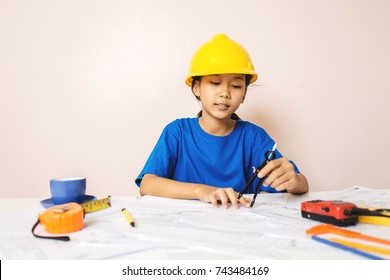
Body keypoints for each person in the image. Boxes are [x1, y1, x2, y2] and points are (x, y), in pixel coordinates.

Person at [135, 34, 309, 208]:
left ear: (244, 94)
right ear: (196, 88)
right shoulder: (177, 132)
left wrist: (294, 181)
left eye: (235, 86)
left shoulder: (253, 137)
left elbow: (302, 185)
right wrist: (201, 191)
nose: (225, 92)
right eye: (215, 82)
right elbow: (147, 184)